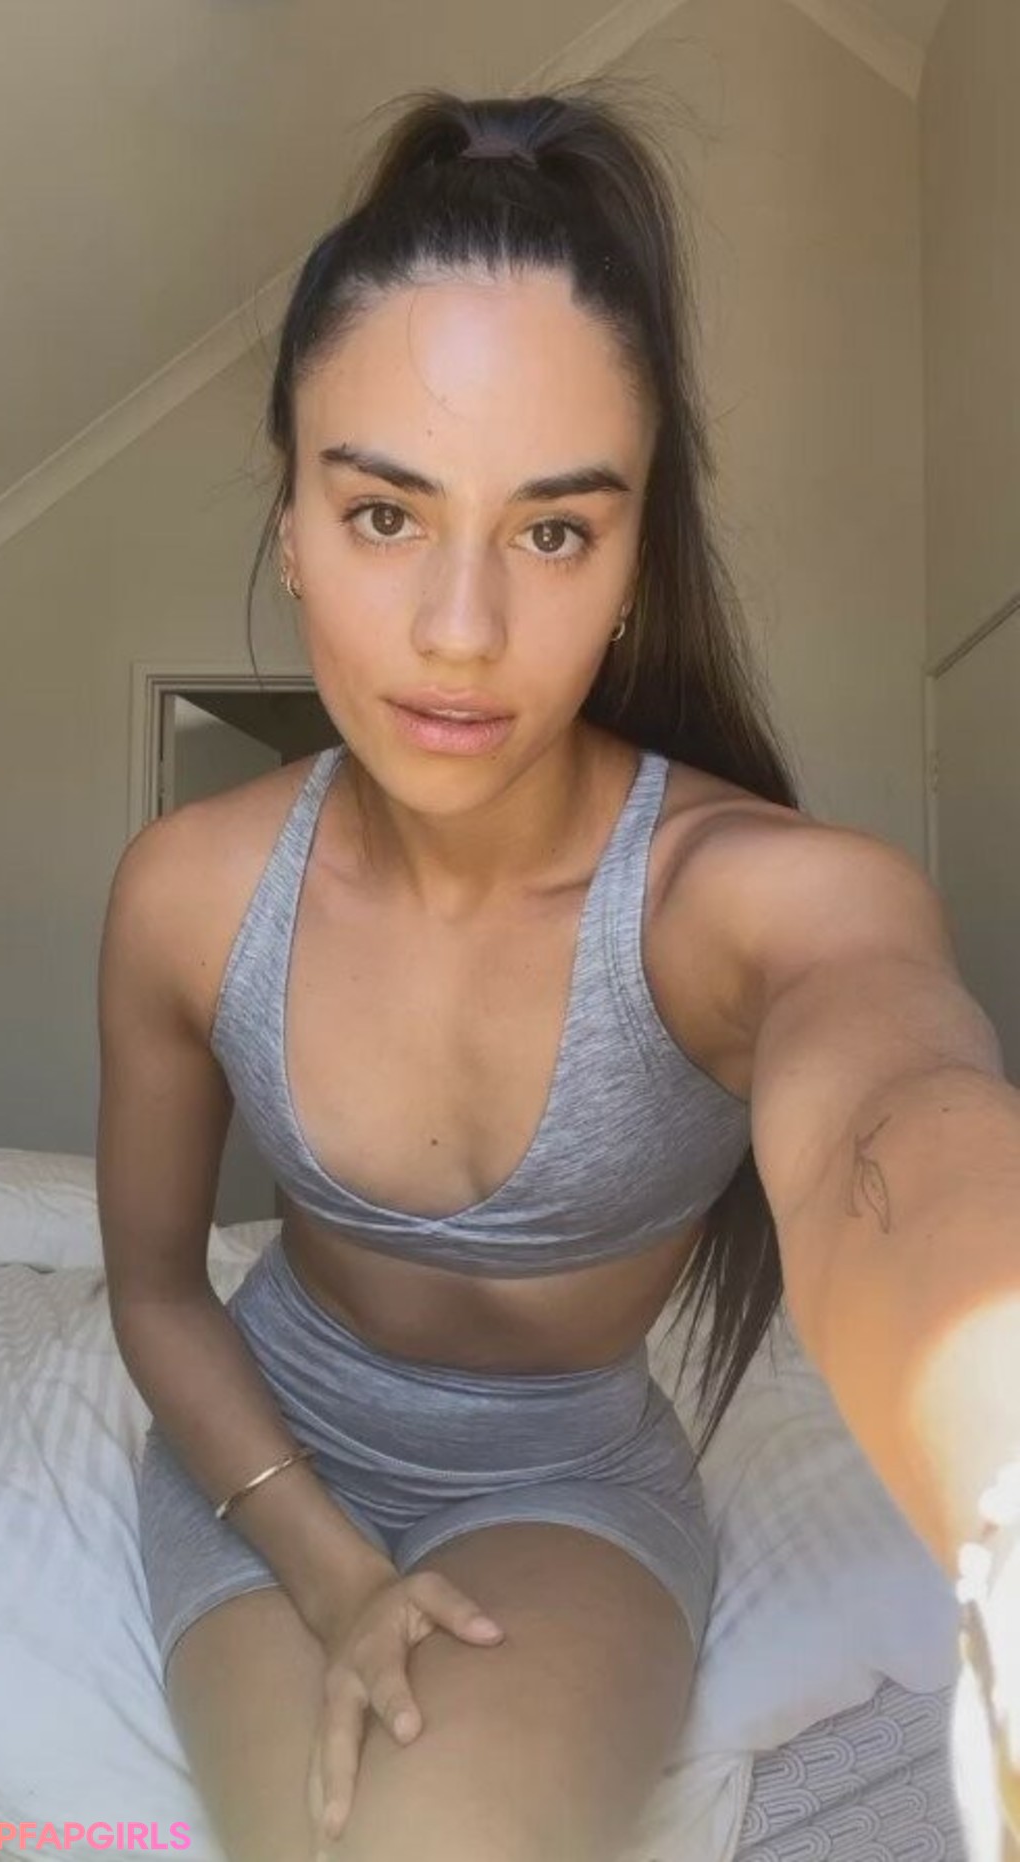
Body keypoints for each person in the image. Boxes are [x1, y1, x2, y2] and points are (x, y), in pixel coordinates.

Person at [96, 84, 1020, 1862]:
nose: (462, 631)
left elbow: (894, 1115)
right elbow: (153, 1287)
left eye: (552, 530)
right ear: (290, 520)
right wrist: (327, 1561)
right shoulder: (190, 894)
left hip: (565, 1483)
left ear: (632, 561)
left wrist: (1004, 1502)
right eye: (385, 516)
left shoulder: (743, 895)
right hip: (259, 1457)